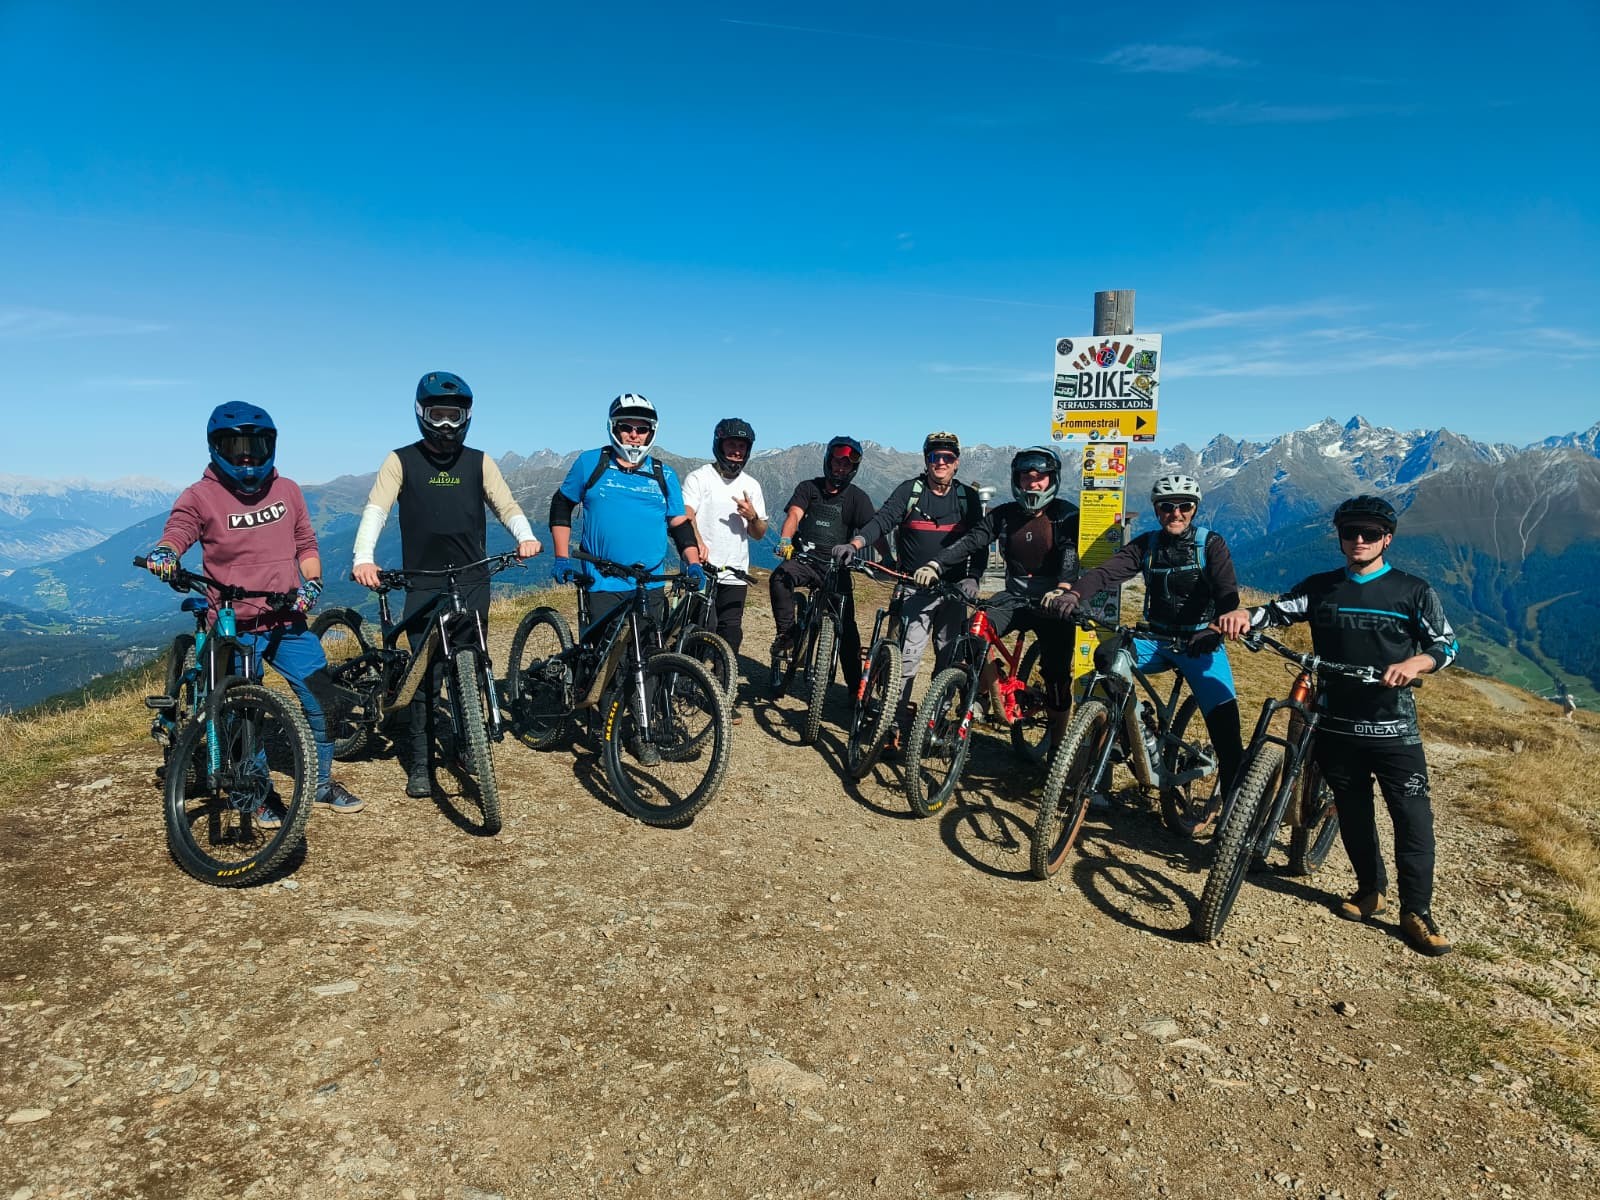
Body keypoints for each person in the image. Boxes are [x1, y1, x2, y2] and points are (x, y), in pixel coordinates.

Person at [1217, 494, 1459, 957]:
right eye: (1351, 533)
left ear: (1387, 539)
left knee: (1412, 818)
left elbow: (1447, 645)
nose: (1359, 540)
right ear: (1341, 538)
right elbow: (1279, 611)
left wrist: (1417, 662)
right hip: (1336, 726)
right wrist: (1245, 616)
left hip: (1394, 729)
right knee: (1352, 812)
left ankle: (1417, 912)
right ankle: (1370, 891)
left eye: (1370, 533)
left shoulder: (1413, 591)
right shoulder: (1322, 587)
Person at [145, 402, 362, 822]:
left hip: (286, 619)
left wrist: (312, 582)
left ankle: (320, 783)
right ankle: (255, 793)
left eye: (255, 447)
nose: (247, 458)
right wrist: (166, 552)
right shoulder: (200, 496)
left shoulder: (288, 490)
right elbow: (179, 530)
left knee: (325, 700)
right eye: (236, 447)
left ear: (271, 446)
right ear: (216, 448)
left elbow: (306, 543)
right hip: (234, 624)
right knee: (242, 714)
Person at [352, 371, 542, 798]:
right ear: (422, 414)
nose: (445, 424)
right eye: (438, 414)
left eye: (453, 416)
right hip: (423, 581)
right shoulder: (400, 460)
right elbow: (376, 510)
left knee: (470, 662)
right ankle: (421, 762)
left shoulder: (479, 462)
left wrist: (525, 536)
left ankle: (466, 744)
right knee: (426, 674)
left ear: (466, 417)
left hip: (472, 578)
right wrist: (363, 557)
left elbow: (506, 504)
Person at [1046, 473, 1244, 822]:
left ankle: (1234, 823)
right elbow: (1106, 573)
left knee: (1227, 736)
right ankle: (1133, 732)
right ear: (1156, 510)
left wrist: (1217, 627)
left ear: (1195, 509)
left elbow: (1227, 591)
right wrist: (1074, 594)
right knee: (1107, 658)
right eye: (1167, 507)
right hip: (1156, 639)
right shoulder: (1147, 545)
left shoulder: (1210, 544)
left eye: (1184, 506)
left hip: (1201, 642)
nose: (1175, 513)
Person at [916, 446, 1080, 748]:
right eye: (1026, 477)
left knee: (1057, 679)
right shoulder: (1005, 515)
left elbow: (1070, 552)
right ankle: (984, 692)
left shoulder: (1065, 514)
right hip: (1014, 598)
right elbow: (972, 540)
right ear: (1017, 480)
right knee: (972, 633)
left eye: (1040, 477)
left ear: (1052, 479)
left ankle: (1057, 749)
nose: (1033, 483)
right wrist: (936, 564)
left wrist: (1064, 587)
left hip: (1054, 603)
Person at [833, 431, 987, 744]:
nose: (940, 462)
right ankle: (895, 721)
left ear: (956, 462)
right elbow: (882, 521)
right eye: (934, 457)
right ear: (926, 460)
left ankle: (936, 719)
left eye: (947, 457)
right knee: (906, 659)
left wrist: (973, 577)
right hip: (914, 588)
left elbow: (980, 541)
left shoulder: (967, 498)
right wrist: (855, 543)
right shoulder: (910, 491)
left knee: (949, 660)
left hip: (954, 591)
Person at [548, 393, 704, 638]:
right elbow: (562, 504)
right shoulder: (590, 463)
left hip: (650, 582)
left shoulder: (664, 474)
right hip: (603, 581)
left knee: (648, 654)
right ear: (614, 428)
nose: (634, 435)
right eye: (626, 427)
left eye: (642, 429)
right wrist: (561, 557)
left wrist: (693, 563)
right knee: (605, 658)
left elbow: (679, 524)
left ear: (651, 433)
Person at [769, 436, 875, 695]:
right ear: (828, 461)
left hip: (837, 570)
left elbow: (873, 530)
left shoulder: (857, 498)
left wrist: (890, 560)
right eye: (837, 462)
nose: (840, 468)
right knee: (780, 577)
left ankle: (855, 692)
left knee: (848, 631)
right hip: (805, 560)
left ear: (853, 469)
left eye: (846, 465)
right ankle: (787, 635)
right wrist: (785, 540)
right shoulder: (808, 488)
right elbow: (794, 515)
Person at [682, 418, 769, 721]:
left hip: (735, 572)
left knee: (730, 633)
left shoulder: (751, 486)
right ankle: (685, 682)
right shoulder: (699, 478)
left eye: (742, 446)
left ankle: (720, 693)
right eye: (732, 444)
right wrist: (697, 541)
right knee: (700, 628)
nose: (737, 451)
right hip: (702, 569)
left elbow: (759, 533)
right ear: (719, 445)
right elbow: (686, 513)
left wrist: (752, 516)